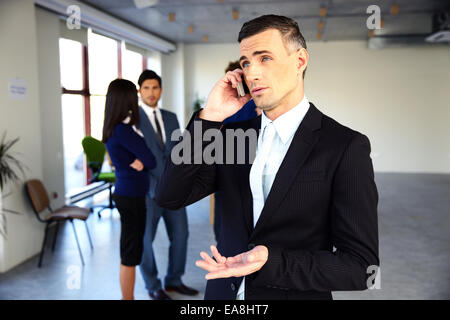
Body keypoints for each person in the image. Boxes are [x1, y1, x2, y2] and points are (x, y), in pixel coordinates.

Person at [155, 15, 379, 300]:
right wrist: (209, 117)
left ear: (300, 61)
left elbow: (361, 268)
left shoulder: (345, 146)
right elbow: (169, 195)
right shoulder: (232, 137)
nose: (252, 73)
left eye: (264, 58)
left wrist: (272, 263)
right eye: (246, 62)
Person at [137, 70, 198, 300]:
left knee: (181, 235)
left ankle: (174, 280)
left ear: (160, 90)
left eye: (155, 88)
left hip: (174, 191)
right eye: (146, 88)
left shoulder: (171, 117)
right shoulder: (133, 120)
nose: (151, 93)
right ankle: (153, 285)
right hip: (147, 193)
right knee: (145, 241)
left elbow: (178, 153)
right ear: (139, 91)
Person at [102, 79, 156, 300]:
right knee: (130, 254)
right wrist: (140, 161)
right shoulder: (123, 131)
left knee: (130, 251)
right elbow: (150, 159)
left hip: (128, 193)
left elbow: (143, 160)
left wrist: (139, 161)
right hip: (131, 196)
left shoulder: (114, 128)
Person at [214, 61, 261, 242]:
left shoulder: (253, 108)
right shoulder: (223, 110)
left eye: (235, 80)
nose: (232, 87)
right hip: (227, 178)